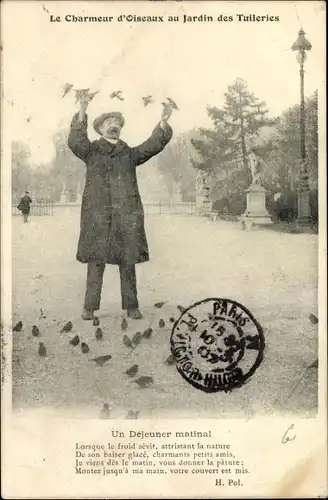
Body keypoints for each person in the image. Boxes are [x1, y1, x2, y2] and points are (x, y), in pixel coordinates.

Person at [68, 94, 173, 320]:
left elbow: (152, 146)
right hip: (97, 215)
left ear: (120, 128)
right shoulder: (91, 151)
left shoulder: (130, 154)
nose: (113, 125)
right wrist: (83, 108)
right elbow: (75, 141)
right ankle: (90, 307)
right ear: (100, 129)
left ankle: (131, 306)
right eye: (108, 123)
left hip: (126, 215)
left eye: (116, 123)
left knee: (128, 260)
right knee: (96, 260)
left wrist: (163, 122)